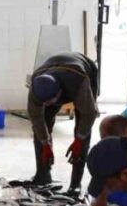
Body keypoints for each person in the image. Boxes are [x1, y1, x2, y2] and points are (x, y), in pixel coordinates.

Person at [27, 52, 100, 193]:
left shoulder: (78, 81)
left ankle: (75, 184)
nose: (50, 104)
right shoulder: (36, 87)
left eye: (52, 101)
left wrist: (79, 139)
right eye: (45, 102)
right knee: (42, 126)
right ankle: (43, 175)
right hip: (53, 69)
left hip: (83, 70)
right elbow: (36, 119)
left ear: (60, 91)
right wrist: (45, 143)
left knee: (82, 127)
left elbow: (89, 114)